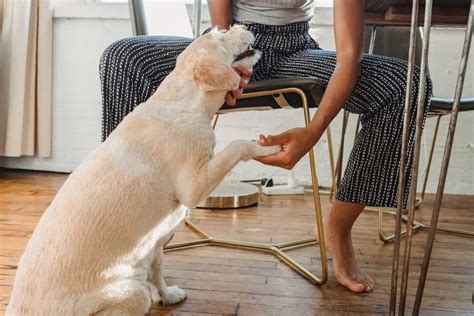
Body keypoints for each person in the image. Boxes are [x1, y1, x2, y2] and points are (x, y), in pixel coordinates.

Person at [100, 0, 431, 293]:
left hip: (296, 50)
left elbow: (348, 56)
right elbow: (223, 26)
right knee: (123, 58)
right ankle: (135, 228)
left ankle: (338, 229)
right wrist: (228, 60)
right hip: (229, 41)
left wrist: (313, 130)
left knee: (405, 85)